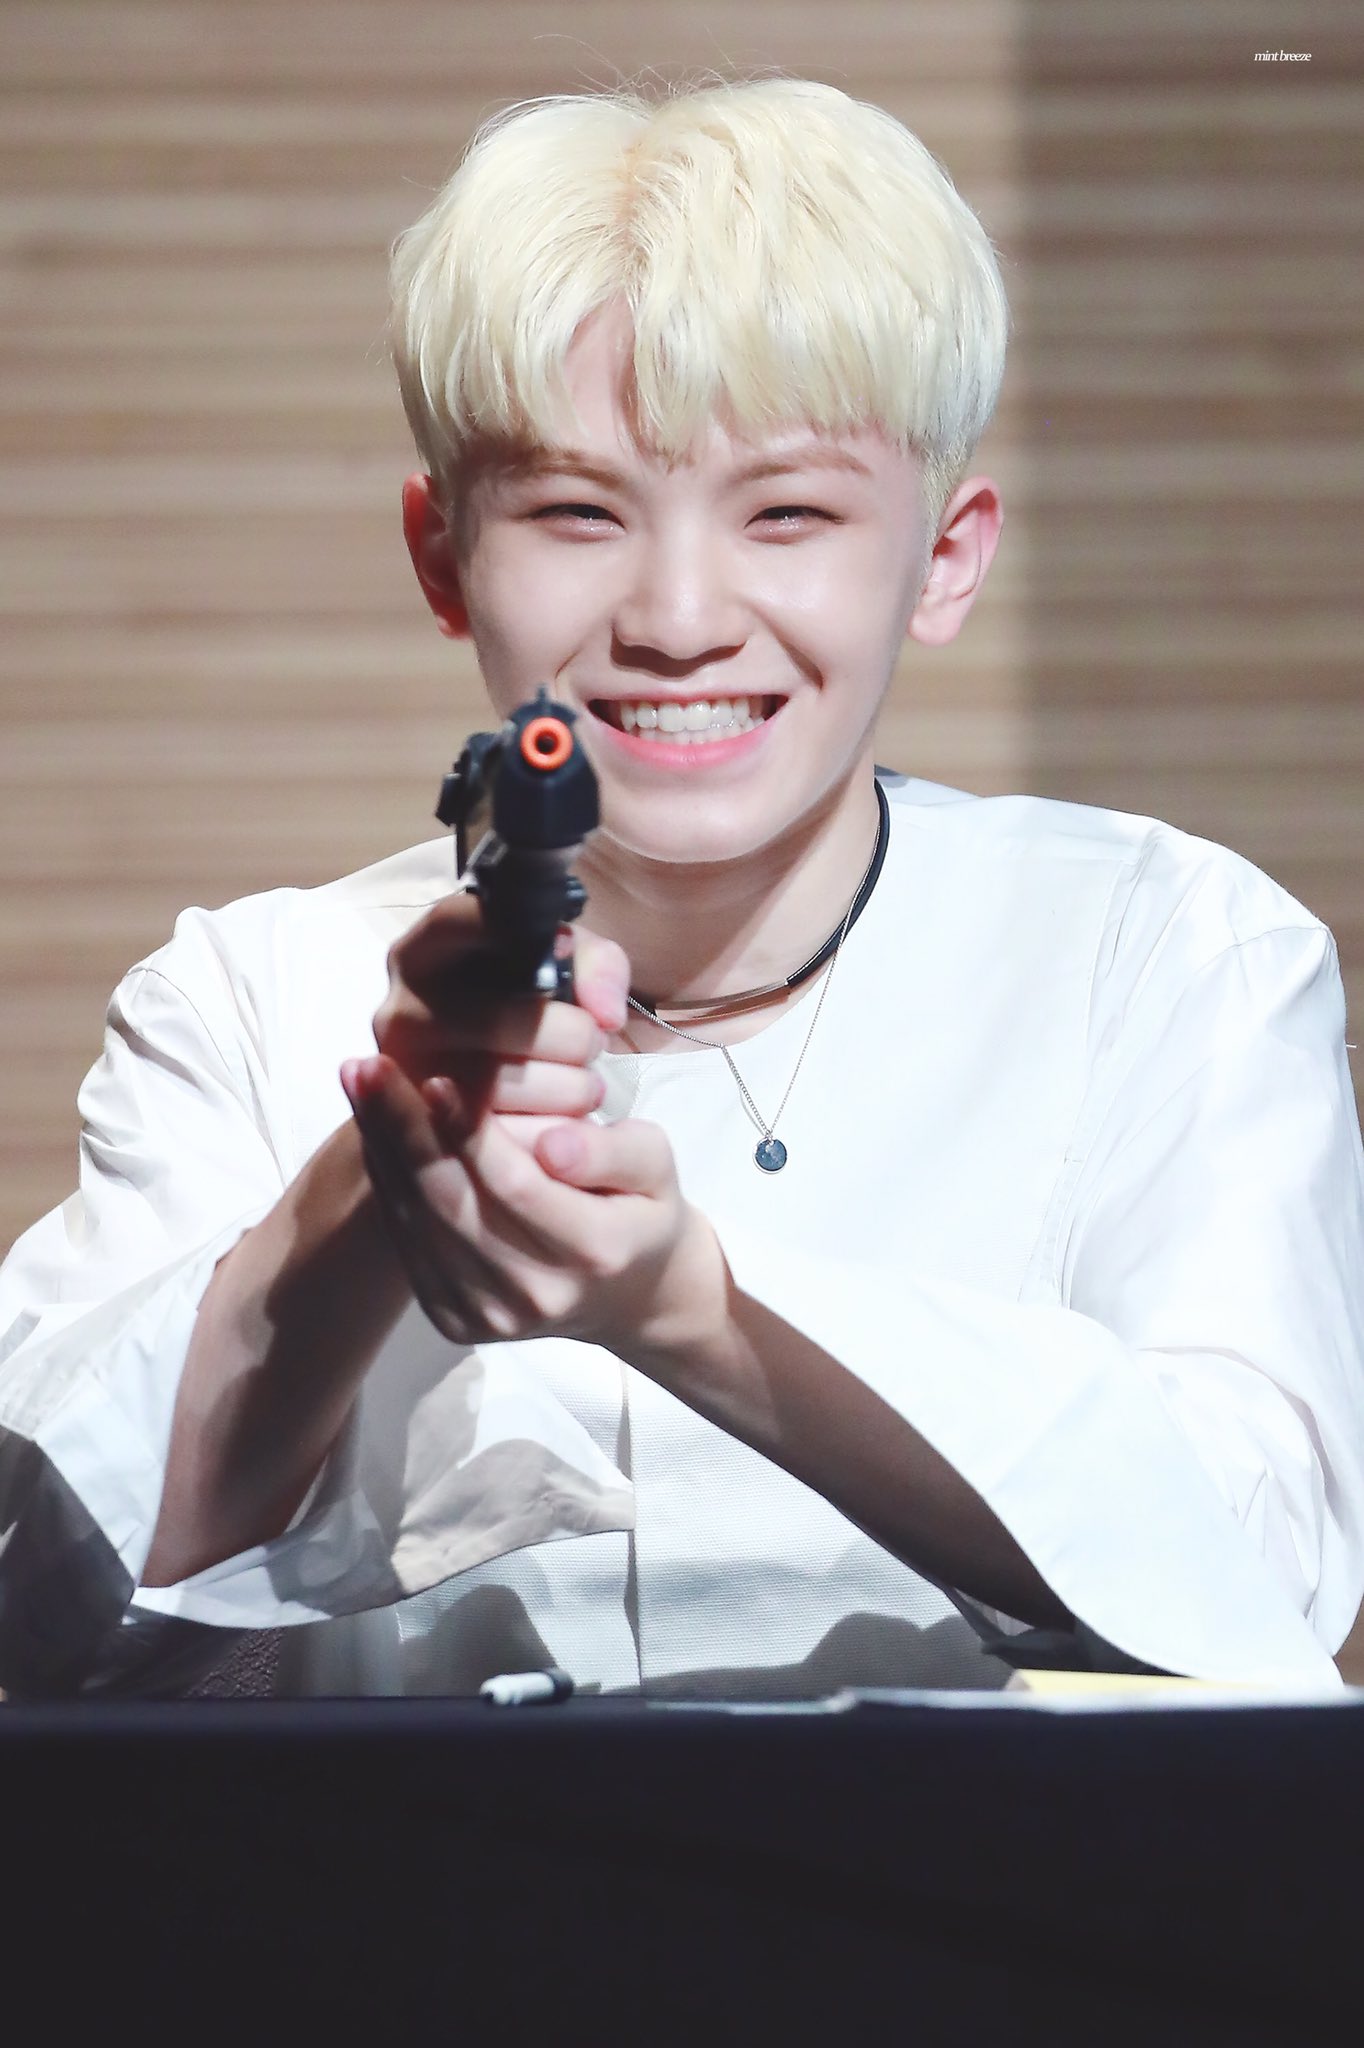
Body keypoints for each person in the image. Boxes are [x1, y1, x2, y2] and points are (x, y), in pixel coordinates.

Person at [2, 76, 1362, 1701]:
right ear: (444, 556)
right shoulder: (247, 1000)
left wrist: (697, 1309)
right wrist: (370, 1187)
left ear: (944, 557)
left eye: (787, 512)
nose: (680, 617)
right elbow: (41, 1608)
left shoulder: (1170, 950)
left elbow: (1263, 1570)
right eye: (580, 513)